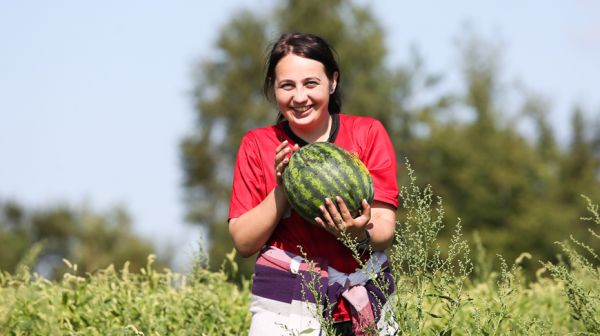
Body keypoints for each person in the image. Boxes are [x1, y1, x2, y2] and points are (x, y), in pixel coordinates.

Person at [228, 32, 399, 336]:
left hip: (366, 299)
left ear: (332, 81)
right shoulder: (257, 144)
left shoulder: (367, 133)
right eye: (286, 86)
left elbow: (384, 226)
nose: (299, 97)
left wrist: (357, 232)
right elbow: (243, 242)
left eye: (311, 83)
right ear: (273, 87)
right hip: (283, 307)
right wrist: (283, 188)